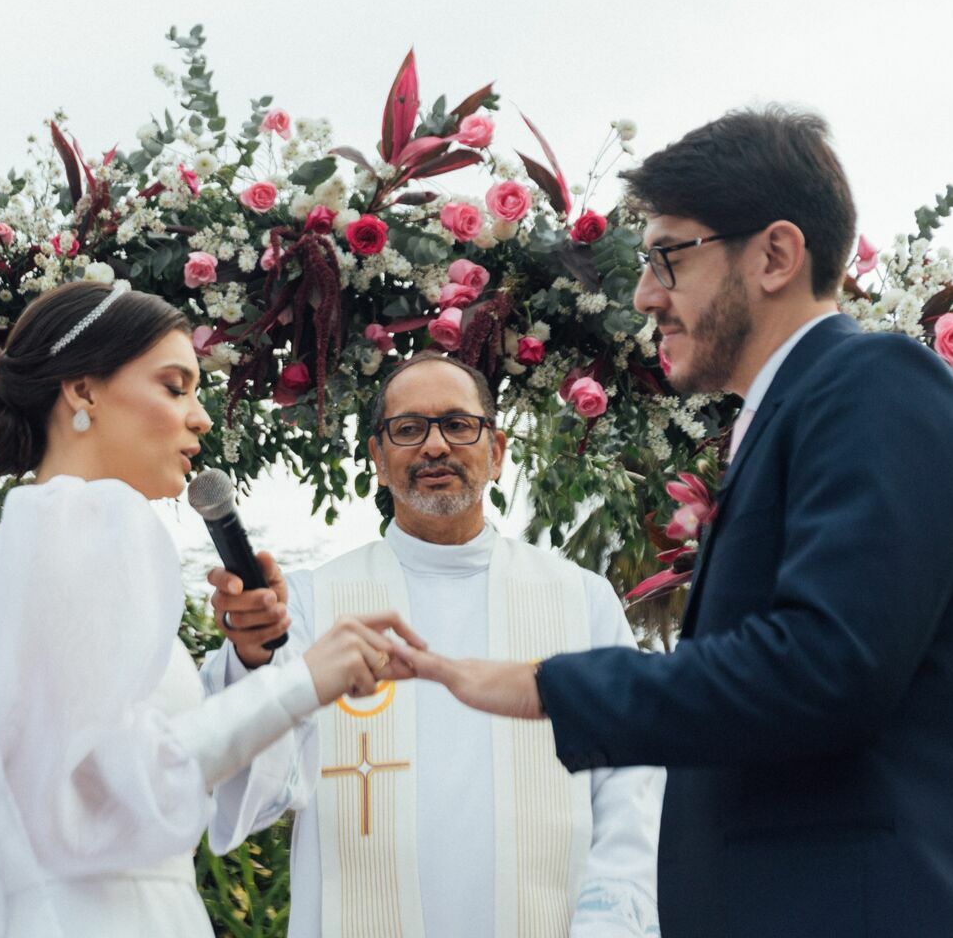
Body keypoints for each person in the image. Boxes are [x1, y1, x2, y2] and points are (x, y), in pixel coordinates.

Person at [399, 109, 953, 936]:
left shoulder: (879, 386)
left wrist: (543, 684)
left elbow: (824, 666)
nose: (644, 295)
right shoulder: (792, 414)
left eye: (668, 258)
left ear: (775, 254)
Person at [0, 279, 423, 938]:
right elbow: (104, 786)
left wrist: (255, 663)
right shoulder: (102, 521)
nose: (201, 417)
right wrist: (302, 680)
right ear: (82, 390)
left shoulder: (36, 531)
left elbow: (138, 773)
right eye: (174, 386)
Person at [205, 352, 661, 937]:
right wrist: (253, 656)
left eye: (457, 424)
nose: (435, 446)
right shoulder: (312, 602)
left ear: (495, 452)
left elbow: (631, 787)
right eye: (409, 429)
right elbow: (252, 783)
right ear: (378, 458)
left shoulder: (582, 600)